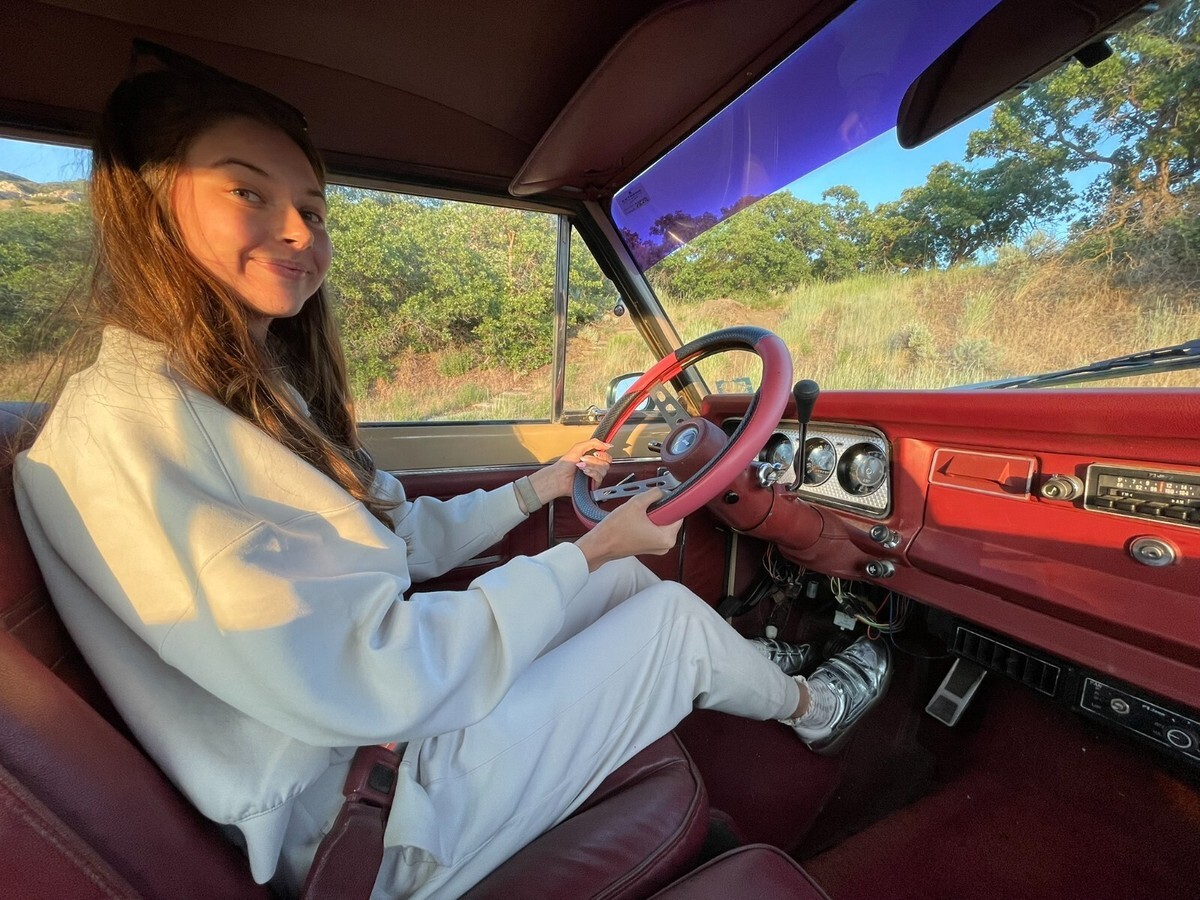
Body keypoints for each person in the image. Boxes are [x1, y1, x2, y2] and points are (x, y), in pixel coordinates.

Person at [13, 46, 890, 899]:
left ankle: (755, 664)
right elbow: (375, 675)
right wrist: (586, 550)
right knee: (670, 625)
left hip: (367, 749)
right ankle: (813, 708)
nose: (298, 231)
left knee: (628, 579)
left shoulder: (240, 396)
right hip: (367, 822)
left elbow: (390, 542)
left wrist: (542, 488)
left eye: (313, 208)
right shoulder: (141, 429)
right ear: (149, 209)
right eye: (247, 192)